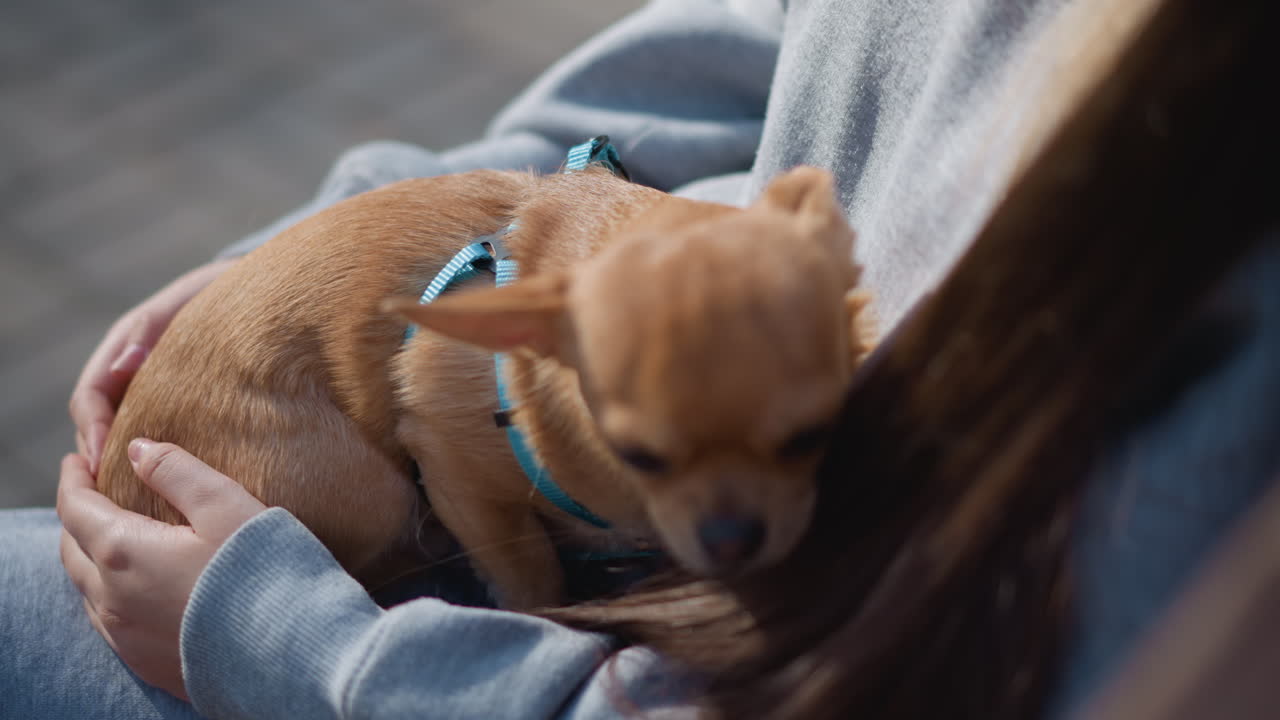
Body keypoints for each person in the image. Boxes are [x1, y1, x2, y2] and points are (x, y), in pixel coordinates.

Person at [2, 0, 1277, 717]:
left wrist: (287, 642)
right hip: (375, 530)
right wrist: (301, 252)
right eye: (653, 455)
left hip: (539, 662)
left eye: (798, 435)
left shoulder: (1225, 345)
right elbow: (726, 54)